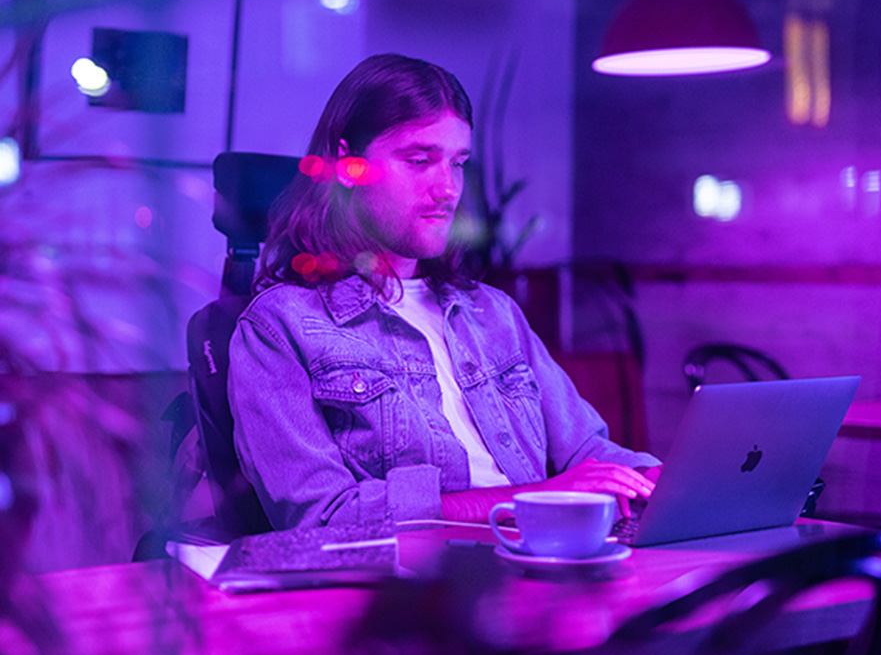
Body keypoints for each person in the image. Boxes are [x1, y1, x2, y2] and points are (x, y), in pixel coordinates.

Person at [228, 53, 661, 531]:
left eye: (457, 163)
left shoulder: (493, 313)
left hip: (545, 561)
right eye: (419, 160)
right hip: (415, 593)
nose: (447, 189)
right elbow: (323, 516)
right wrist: (538, 498)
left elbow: (588, 452)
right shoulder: (280, 326)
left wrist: (653, 480)